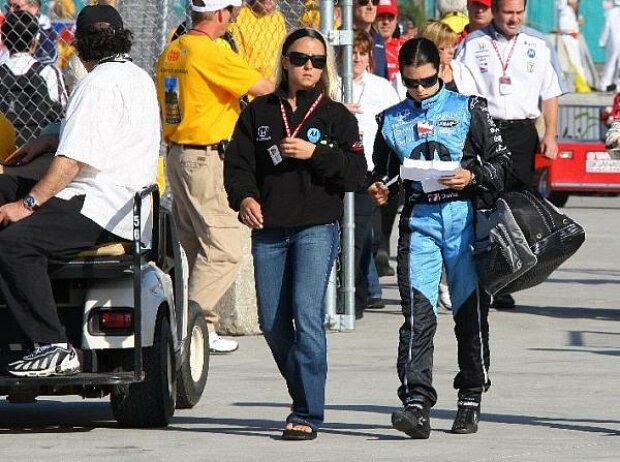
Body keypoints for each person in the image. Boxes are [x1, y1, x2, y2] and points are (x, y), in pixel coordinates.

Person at [0, 4, 160, 377]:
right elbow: (101, 126)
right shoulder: (136, 76)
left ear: (80, 47)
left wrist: (27, 205)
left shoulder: (95, 82)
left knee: (14, 244)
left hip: (100, 205)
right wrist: (48, 138)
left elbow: (70, 162)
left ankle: (52, 345)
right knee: (5, 182)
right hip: (123, 200)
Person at [224, 28, 367, 440]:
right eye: (301, 58)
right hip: (269, 229)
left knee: (306, 317)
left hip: (316, 228)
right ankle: (303, 387)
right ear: (285, 60)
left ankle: (307, 411)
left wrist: (316, 154)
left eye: (317, 61)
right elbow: (238, 166)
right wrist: (245, 198)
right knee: (272, 322)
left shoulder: (336, 115)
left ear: (325, 67)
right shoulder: (259, 111)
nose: (309, 66)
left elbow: (357, 173)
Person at [369, 37, 511, 438]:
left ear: (441, 73)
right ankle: (415, 402)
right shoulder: (390, 118)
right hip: (419, 224)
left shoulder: (469, 108)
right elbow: (383, 172)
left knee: (469, 314)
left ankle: (470, 395)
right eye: (410, 83)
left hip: (464, 220)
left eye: (426, 82)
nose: (418, 91)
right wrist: (379, 187)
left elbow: (504, 166)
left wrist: (472, 176)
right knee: (416, 316)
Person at [155, 0, 273, 354]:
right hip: (207, 158)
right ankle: (188, 327)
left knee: (196, 246)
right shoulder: (212, 53)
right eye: (233, 12)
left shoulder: (174, 50)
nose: (234, 18)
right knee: (225, 248)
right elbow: (264, 88)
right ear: (222, 14)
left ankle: (201, 327)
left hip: (179, 155)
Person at [455, 0, 566, 310]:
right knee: (485, 203)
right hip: (485, 129)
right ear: (495, 11)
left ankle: (504, 279)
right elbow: (462, 94)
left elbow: (551, 92)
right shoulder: (473, 44)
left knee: (515, 207)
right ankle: (478, 279)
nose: (514, 19)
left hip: (522, 133)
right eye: (508, 13)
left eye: (519, 13)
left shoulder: (538, 44)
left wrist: (551, 134)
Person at [344, 29, 399, 319]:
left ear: (368, 57)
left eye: (362, 53)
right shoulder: (331, 85)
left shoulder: (381, 88)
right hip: (337, 171)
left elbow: (395, 126)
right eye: (351, 51)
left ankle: (356, 297)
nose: (355, 58)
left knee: (362, 235)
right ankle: (352, 296)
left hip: (369, 171)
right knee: (345, 235)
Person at [0, 11, 67, 147]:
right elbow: (64, 111)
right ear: (35, 40)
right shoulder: (49, 71)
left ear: (4, 40)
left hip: (4, 149)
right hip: (40, 148)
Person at [228, 0, 287, 82]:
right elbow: (238, 69)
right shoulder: (237, 18)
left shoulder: (278, 18)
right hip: (250, 89)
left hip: (275, 86)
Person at [420, 20, 477, 94]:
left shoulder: (462, 70)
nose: (451, 51)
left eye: (453, 45)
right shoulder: (412, 74)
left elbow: (474, 98)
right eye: (444, 47)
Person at [6, 0, 58, 66]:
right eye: (8, 7)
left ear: (33, 8)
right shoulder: (6, 32)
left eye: (17, 7)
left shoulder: (44, 39)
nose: (10, 11)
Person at [557, 0, 589, 93]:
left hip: (573, 38)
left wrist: (577, 23)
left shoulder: (572, 11)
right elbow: (563, 27)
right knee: (573, 61)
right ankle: (580, 83)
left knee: (577, 61)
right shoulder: (566, 11)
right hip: (568, 39)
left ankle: (581, 83)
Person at [353, 0, 387, 79]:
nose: (370, 7)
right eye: (364, 1)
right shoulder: (340, 40)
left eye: (375, 1)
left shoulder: (379, 40)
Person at [599, 0, 620, 92]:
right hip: (615, 40)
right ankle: (617, 84)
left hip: (614, 41)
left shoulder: (611, 12)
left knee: (610, 63)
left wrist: (602, 41)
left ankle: (605, 84)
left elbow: (606, 28)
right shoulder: (611, 12)